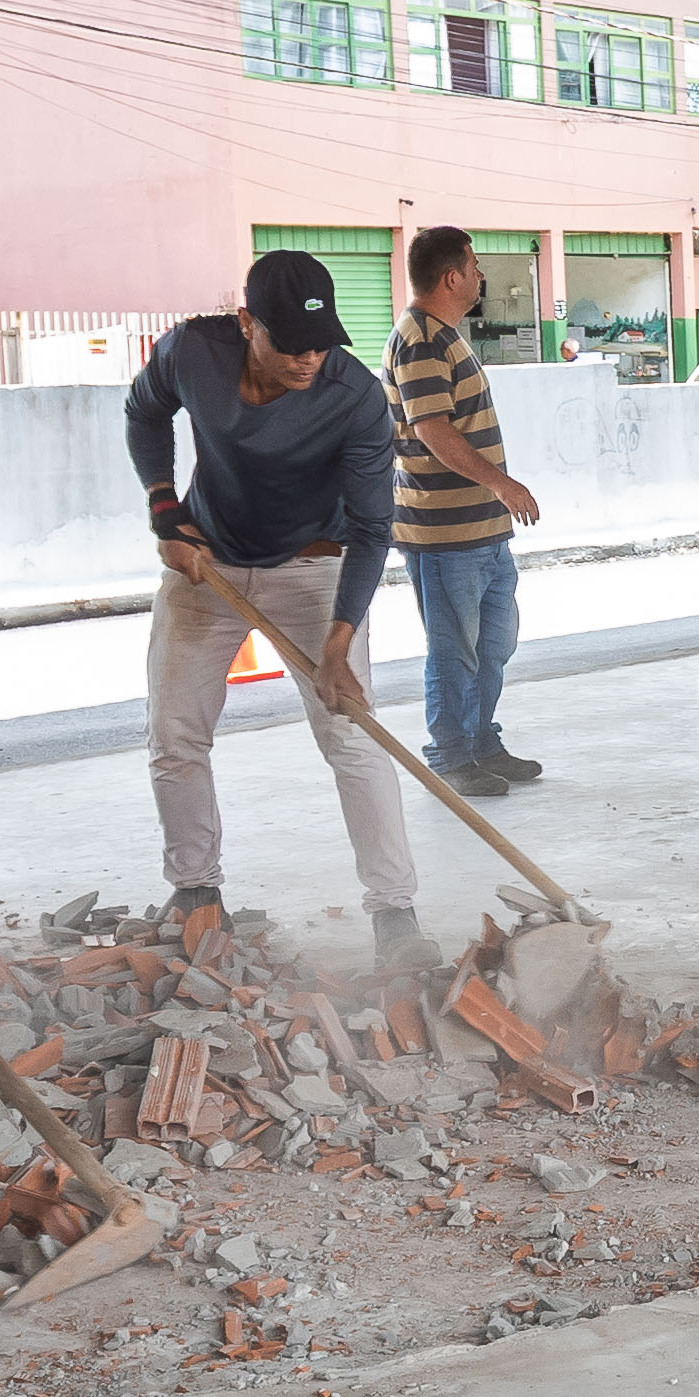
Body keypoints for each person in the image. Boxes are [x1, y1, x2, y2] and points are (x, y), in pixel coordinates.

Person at [128, 252, 425, 974]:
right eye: (290, 343)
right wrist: (165, 510)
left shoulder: (355, 398)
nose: (307, 359)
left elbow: (372, 530)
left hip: (313, 569)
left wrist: (339, 643)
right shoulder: (193, 351)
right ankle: (196, 892)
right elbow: (145, 411)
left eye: (320, 344)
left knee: (351, 733)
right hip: (209, 563)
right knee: (175, 732)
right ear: (246, 324)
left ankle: (396, 915)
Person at [389, 224, 544, 792]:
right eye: (474, 267)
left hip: (481, 530)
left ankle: (482, 743)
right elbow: (432, 430)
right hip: (443, 532)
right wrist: (501, 483)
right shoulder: (420, 340)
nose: (481, 275)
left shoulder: (446, 336)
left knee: (493, 646)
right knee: (454, 651)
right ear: (452, 277)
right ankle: (452, 755)